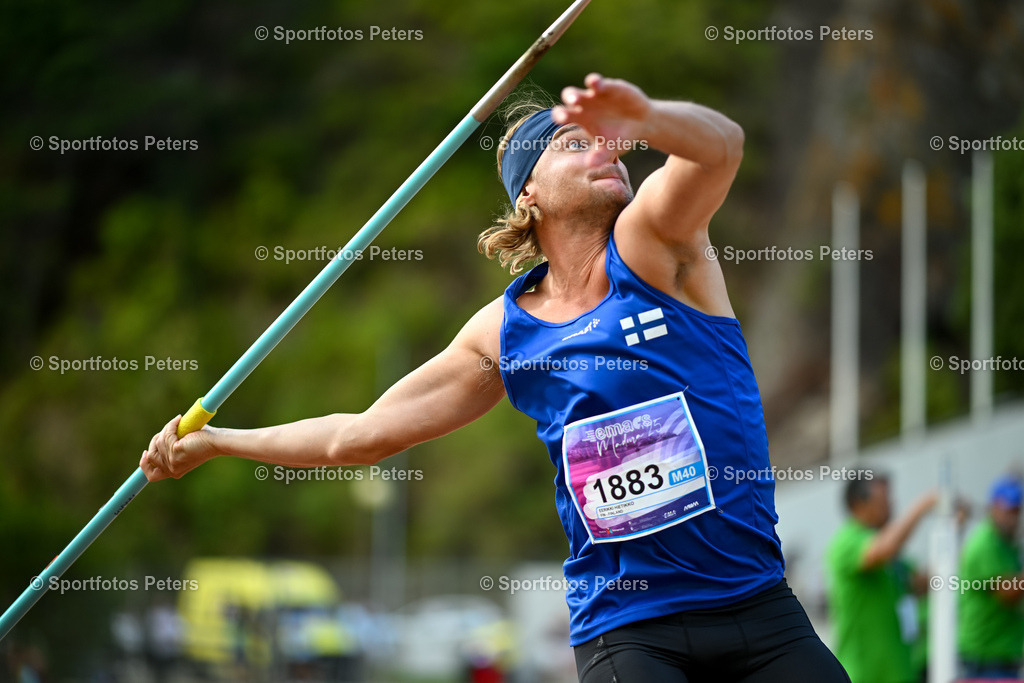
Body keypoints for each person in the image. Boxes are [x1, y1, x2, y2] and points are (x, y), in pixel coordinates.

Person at [143, 74, 849, 682]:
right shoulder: (503, 335)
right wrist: (220, 442)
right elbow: (355, 437)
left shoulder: (656, 245)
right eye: (575, 143)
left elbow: (722, 146)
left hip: (756, 602)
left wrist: (648, 117)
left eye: (610, 141)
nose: (607, 149)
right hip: (629, 627)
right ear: (529, 193)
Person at [826, 472, 936, 683]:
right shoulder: (847, 541)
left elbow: (922, 583)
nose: (891, 505)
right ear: (860, 504)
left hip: (901, 673)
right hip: (864, 675)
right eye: (884, 499)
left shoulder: (893, 559)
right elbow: (883, 549)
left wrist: (952, 533)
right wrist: (923, 506)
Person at [958, 475, 1024, 679]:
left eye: (1016, 511)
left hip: (1001, 655)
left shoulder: (1005, 544)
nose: (1013, 517)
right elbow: (1007, 592)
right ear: (993, 508)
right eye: (1008, 510)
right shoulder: (985, 544)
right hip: (985, 658)